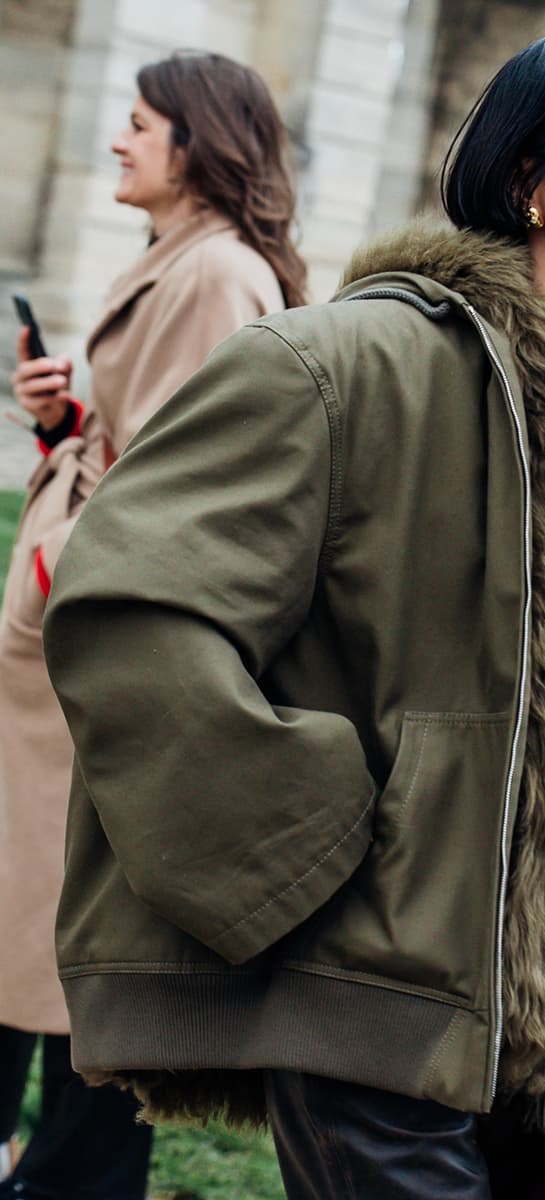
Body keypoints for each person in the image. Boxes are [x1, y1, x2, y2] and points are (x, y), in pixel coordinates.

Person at [42, 30, 545, 1200]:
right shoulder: (340, 366)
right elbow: (131, 610)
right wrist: (310, 856)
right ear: (521, 182)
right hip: (370, 987)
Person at [0, 49, 305, 1200]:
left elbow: (197, 494)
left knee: (70, 938)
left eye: (138, 124)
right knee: (38, 924)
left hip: (98, 651)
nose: (117, 140)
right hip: (70, 644)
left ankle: (70, 1174)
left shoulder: (217, 276)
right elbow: (148, 441)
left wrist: (54, 559)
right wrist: (71, 413)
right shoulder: (183, 260)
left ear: (198, 143)